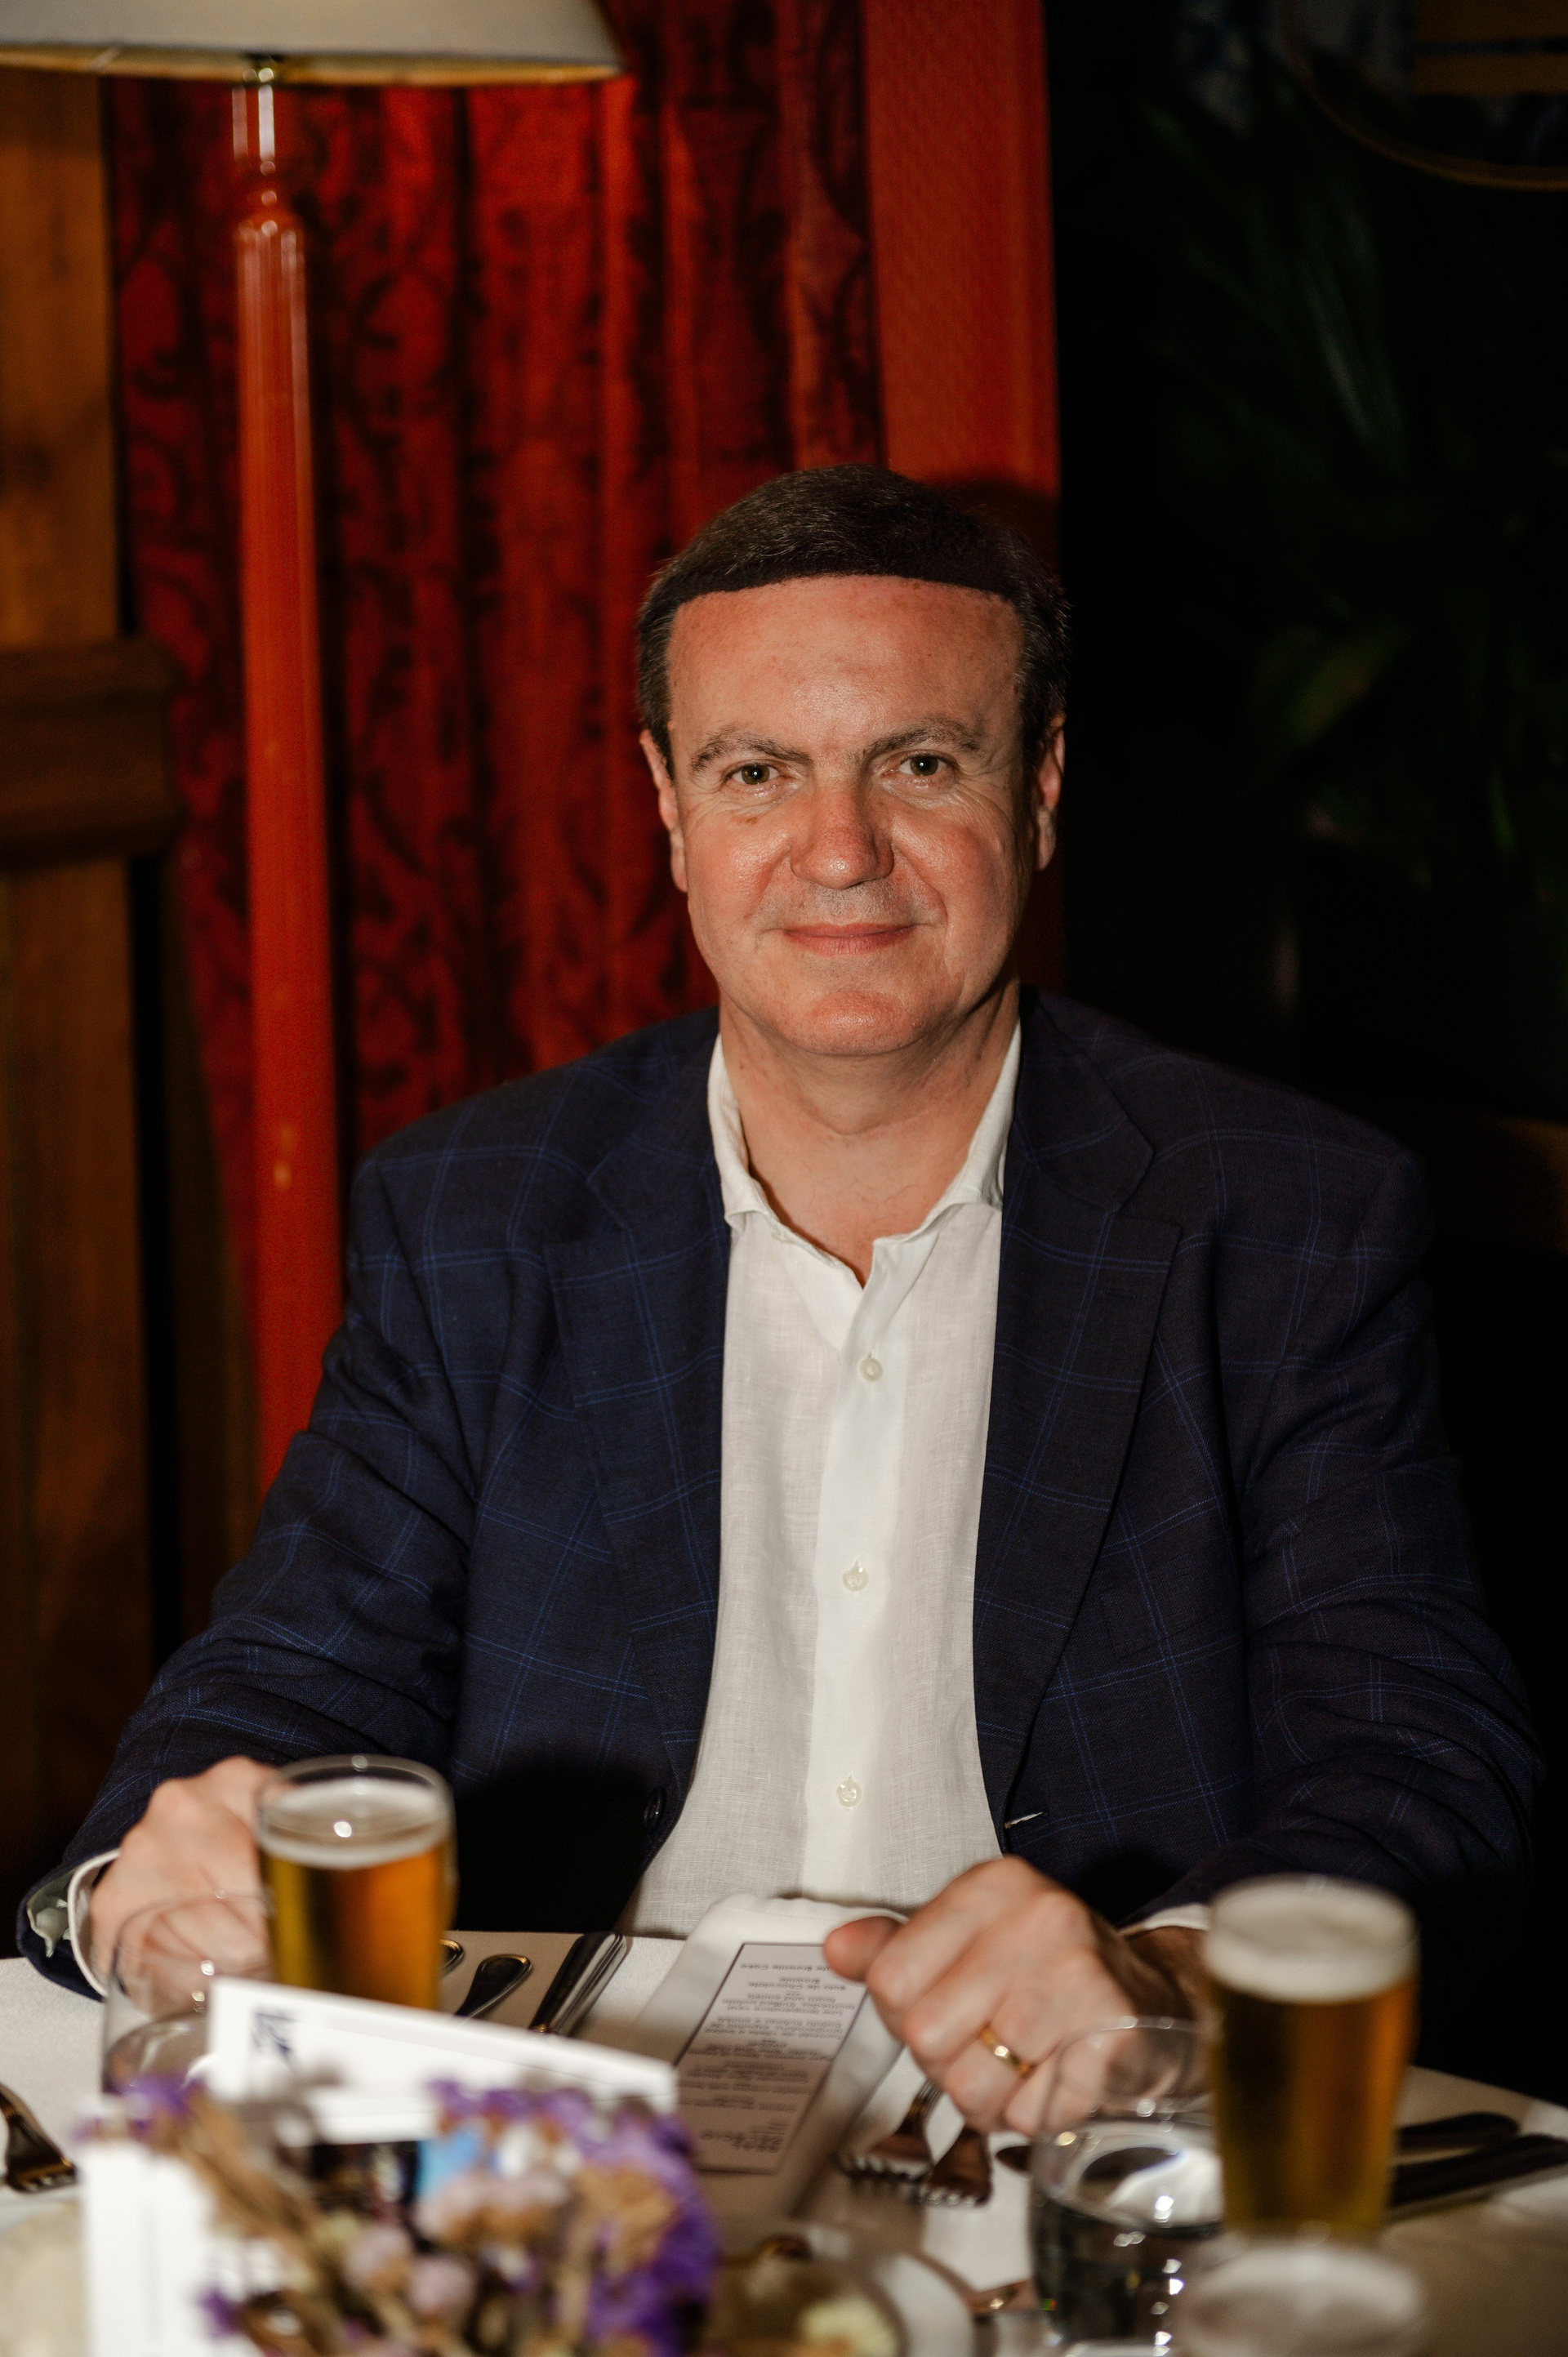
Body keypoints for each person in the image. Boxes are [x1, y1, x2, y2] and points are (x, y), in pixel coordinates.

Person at [20, 467, 1535, 2133]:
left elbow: (1415, 1760)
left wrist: (1170, 1976)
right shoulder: (477, 1211)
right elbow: (291, 1673)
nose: (840, 850)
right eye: (760, 772)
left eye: (920, 763)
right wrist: (150, 1882)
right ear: (671, 810)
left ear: (1039, 789)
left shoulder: (1286, 1213)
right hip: (578, 2125)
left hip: (1070, 2121)